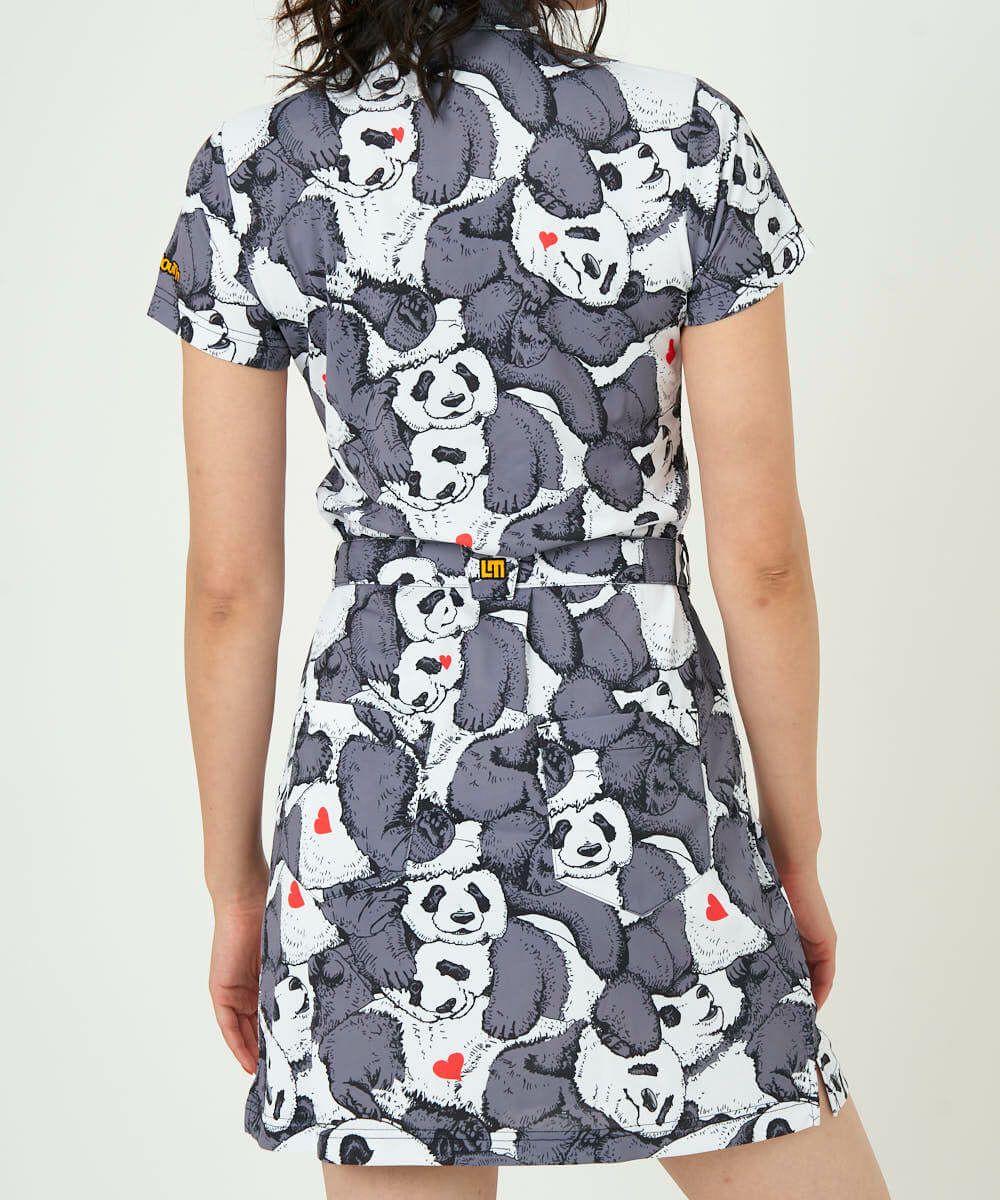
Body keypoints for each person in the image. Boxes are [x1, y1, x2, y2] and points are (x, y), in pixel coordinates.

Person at [144, 1, 892, 1196]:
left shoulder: (254, 171)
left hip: (380, 774)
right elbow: (761, 560)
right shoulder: (687, 137)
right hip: (644, 764)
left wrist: (237, 888)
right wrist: (789, 855)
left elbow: (230, 587)